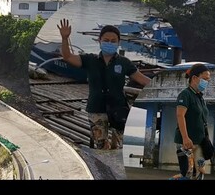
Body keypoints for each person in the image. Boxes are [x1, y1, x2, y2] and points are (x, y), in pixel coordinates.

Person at [57, 18, 151, 150]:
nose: (109, 43)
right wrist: (65, 38)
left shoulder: (124, 62)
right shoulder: (90, 60)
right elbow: (68, 57)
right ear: (99, 41)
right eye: (106, 40)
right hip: (96, 108)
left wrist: (161, 87)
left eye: (113, 41)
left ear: (118, 43)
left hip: (119, 108)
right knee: (101, 145)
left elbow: (142, 79)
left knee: (127, 144)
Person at [174, 63, 212, 180]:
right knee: (188, 173)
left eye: (208, 80)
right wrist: (185, 137)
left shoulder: (200, 97)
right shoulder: (185, 95)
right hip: (187, 143)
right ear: (194, 78)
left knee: (200, 172)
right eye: (204, 79)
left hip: (199, 142)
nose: (207, 82)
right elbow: (180, 115)